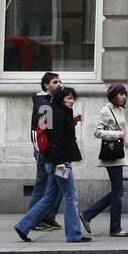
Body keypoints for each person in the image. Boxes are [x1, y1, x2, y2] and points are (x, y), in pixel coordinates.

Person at [15, 86, 92, 242]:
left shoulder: (59, 112)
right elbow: (55, 140)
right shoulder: (58, 114)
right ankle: (74, 235)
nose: (72, 101)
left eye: (73, 98)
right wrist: (60, 163)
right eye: (69, 98)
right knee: (71, 197)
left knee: (49, 197)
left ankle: (23, 225)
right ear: (61, 98)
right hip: (60, 163)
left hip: (56, 161)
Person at [80, 83, 128, 237]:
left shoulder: (119, 110)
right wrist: (115, 135)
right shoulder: (106, 110)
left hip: (120, 156)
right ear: (113, 96)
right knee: (118, 192)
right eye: (121, 94)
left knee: (117, 192)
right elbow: (97, 132)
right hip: (112, 156)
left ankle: (89, 215)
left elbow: (127, 134)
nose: (124, 97)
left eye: (125, 94)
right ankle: (114, 228)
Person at [28, 72, 63, 231]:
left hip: (51, 150)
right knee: (41, 186)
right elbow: (45, 130)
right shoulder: (44, 104)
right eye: (55, 82)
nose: (59, 84)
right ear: (46, 85)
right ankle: (33, 220)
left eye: (59, 81)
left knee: (57, 184)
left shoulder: (50, 102)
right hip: (46, 151)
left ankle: (47, 217)